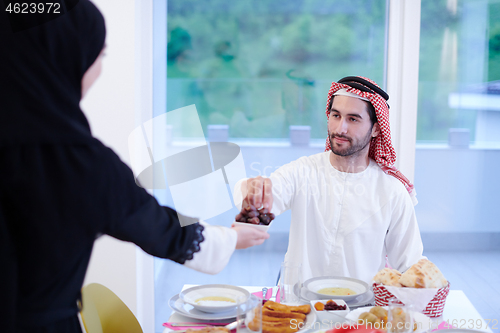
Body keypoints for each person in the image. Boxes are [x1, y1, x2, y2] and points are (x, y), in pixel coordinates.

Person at [0, 1, 269, 332]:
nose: (98, 67)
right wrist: (231, 239)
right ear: (64, 57)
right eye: (100, 54)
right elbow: (160, 230)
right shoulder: (79, 164)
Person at [235, 76, 424, 284]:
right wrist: (252, 190)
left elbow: (410, 267)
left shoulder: (392, 191)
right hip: (299, 309)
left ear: (377, 129)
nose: (340, 128)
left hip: (360, 313)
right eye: (336, 115)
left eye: (353, 119)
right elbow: (263, 198)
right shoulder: (302, 171)